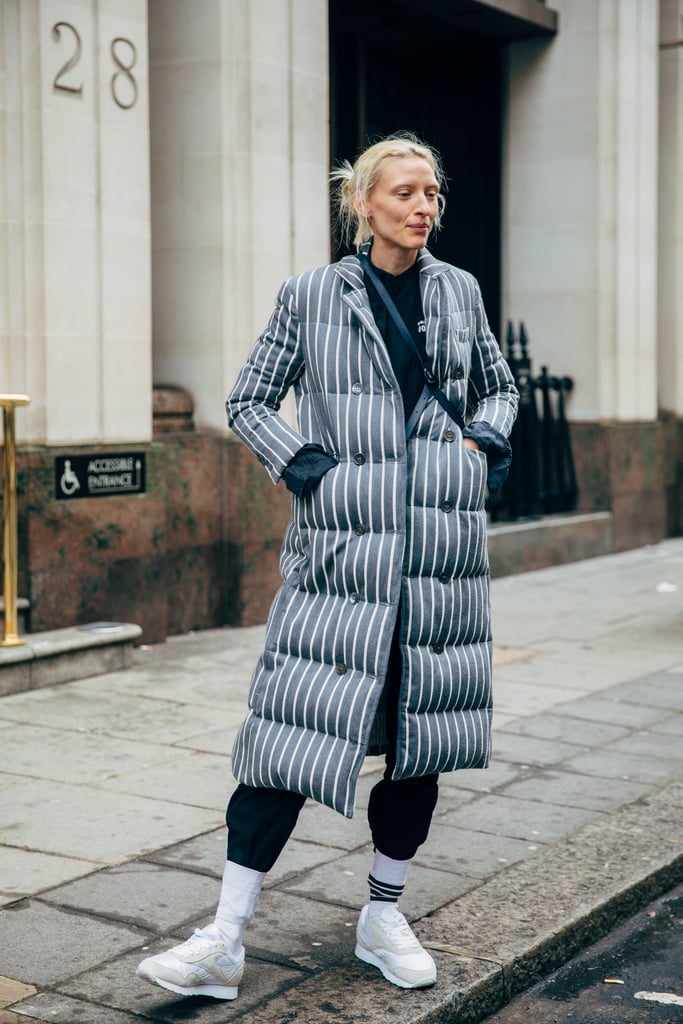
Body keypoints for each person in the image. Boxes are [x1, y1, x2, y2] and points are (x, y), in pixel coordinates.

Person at [137, 132, 518, 1000]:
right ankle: (223, 939)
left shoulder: (458, 292)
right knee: (281, 745)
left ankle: (383, 916)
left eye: (433, 194)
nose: (424, 207)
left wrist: (479, 444)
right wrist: (311, 471)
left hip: (437, 563)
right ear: (363, 204)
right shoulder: (312, 295)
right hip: (340, 560)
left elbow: (497, 385)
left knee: (419, 745)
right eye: (406, 193)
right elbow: (247, 397)